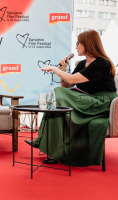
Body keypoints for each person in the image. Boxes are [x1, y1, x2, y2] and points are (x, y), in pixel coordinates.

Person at [25, 30, 117, 167]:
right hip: (87, 100)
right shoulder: (81, 64)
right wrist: (64, 68)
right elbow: (67, 84)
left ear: (88, 44)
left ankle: (44, 141)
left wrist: (53, 69)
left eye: (78, 43)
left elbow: (71, 79)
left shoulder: (102, 63)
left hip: (102, 103)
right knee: (59, 99)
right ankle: (52, 147)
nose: (76, 47)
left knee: (58, 94)